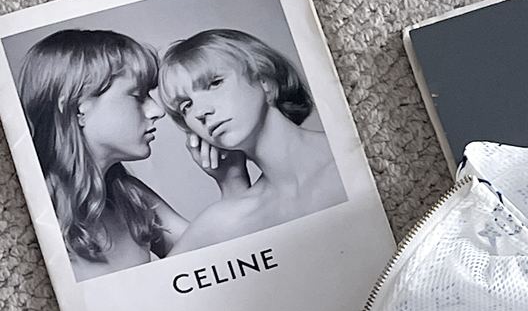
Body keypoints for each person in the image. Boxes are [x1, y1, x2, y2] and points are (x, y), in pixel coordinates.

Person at [16, 27, 250, 278]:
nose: (157, 111)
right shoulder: (28, 212)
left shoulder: (131, 198)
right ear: (78, 108)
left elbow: (224, 260)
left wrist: (232, 180)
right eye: (137, 96)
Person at [157, 27, 345, 252]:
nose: (200, 112)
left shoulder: (355, 155)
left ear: (264, 80)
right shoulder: (221, 220)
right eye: (186, 106)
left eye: (214, 83)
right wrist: (232, 183)